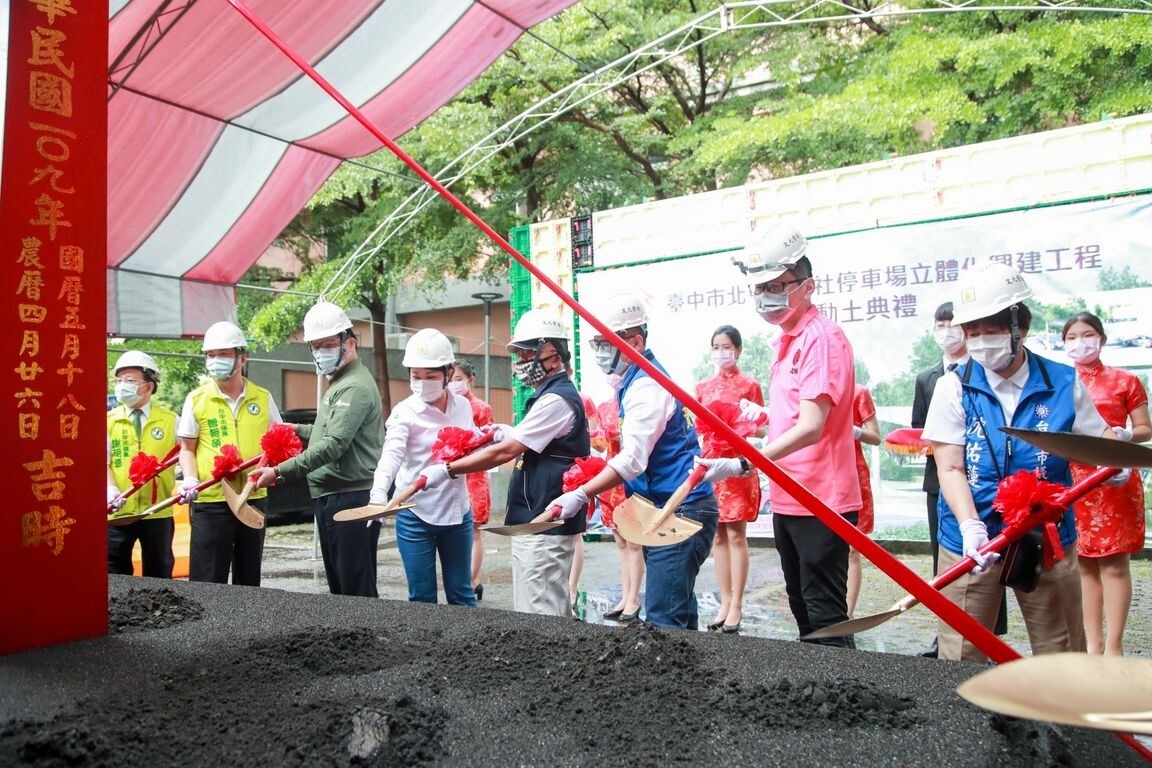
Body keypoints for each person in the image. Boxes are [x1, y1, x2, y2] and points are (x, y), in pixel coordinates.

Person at [922, 262, 1126, 663]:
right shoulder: (953, 387)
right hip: (974, 542)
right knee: (962, 655)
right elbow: (950, 467)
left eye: (991, 330)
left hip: (1046, 536)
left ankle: (1062, 723)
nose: (981, 343)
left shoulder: (1064, 383)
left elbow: (1099, 439)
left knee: (1062, 651)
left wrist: (1116, 463)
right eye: (972, 332)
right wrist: (969, 526)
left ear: (1019, 326)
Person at [697, 222, 860, 648]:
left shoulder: (821, 339)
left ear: (807, 286)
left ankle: (845, 699)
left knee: (824, 615)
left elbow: (812, 426)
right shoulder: (786, 341)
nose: (765, 296)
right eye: (758, 288)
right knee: (803, 609)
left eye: (775, 285)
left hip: (822, 497)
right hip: (791, 494)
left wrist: (745, 460)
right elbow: (793, 419)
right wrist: (765, 420)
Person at [545, 294, 719, 630]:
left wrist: (581, 494)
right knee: (677, 608)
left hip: (680, 509)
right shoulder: (634, 381)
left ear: (635, 341)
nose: (598, 352)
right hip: (665, 507)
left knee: (663, 619)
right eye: (594, 343)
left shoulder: (647, 387)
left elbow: (633, 460)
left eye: (603, 343)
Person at [416, 310, 589, 617]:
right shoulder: (547, 395)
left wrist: (447, 469)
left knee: (541, 613)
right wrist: (505, 432)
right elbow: (526, 442)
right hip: (536, 521)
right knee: (544, 605)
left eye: (527, 352)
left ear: (553, 353)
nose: (521, 361)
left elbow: (505, 452)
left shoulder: (556, 399)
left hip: (543, 523)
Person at [248, 302, 384, 598]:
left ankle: (367, 640)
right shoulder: (339, 384)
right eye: (316, 346)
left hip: (349, 496)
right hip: (333, 494)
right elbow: (327, 433)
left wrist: (279, 472)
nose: (321, 352)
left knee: (354, 587)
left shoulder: (354, 387)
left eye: (328, 344)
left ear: (350, 342)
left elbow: (334, 445)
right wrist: (297, 429)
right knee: (342, 583)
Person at [1061, 311, 1150, 655]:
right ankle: (1092, 644)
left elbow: (1145, 428)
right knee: (1083, 563)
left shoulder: (1125, 380)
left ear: (1102, 338)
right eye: (1071, 337)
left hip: (1115, 477)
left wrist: (1126, 435)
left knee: (1114, 564)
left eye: (1087, 334)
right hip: (1075, 480)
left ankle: (1114, 645)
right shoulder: (1060, 384)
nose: (1080, 342)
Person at [370, 329, 476, 606]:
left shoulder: (462, 406)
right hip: (415, 514)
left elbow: (473, 443)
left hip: (457, 513)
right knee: (422, 597)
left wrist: (492, 436)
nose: (422, 383)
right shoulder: (404, 412)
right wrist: (378, 495)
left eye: (431, 376)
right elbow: (391, 455)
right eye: (416, 376)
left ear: (448, 373)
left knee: (461, 592)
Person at [178, 321, 283, 586]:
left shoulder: (262, 397)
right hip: (212, 501)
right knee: (207, 579)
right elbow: (187, 449)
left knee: (248, 578)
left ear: (242, 358)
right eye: (210, 355)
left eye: (223, 355)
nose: (215, 361)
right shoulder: (196, 399)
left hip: (253, 498)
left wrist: (274, 474)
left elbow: (280, 443)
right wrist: (190, 480)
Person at [695, 324, 764, 634]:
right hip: (713, 466)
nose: (722, 352)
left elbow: (761, 425)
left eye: (727, 346)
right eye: (716, 346)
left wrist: (744, 426)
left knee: (737, 534)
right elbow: (697, 427)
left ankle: (737, 603)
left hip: (738, 465)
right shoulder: (702, 387)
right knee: (718, 536)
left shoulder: (751, 385)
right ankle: (724, 600)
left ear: (738, 349)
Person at [106, 350, 178, 578]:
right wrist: (109, 489)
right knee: (114, 573)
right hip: (117, 512)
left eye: (129, 381)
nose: (121, 386)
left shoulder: (171, 420)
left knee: (159, 573)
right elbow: (101, 462)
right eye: (118, 381)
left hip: (156, 512)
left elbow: (187, 455)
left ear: (149, 386)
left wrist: (190, 482)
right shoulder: (106, 421)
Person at [911, 302, 969, 578]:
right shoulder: (926, 379)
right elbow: (917, 428)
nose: (947, 332)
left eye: (953, 325)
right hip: (937, 480)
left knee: (985, 558)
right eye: (941, 326)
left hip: (980, 477)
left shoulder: (982, 373)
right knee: (942, 554)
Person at [592, 393, 643, 623]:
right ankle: (624, 596)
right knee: (620, 542)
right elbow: (600, 445)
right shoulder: (604, 406)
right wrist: (598, 439)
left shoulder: (637, 401)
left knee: (634, 542)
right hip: (612, 478)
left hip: (632, 477)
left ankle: (634, 598)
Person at [447, 360, 494, 602]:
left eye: (459, 379)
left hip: (474, 476)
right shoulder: (446, 405)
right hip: (452, 473)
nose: (454, 384)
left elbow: (485, 442)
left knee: (474, 530)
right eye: (451, 379)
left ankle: (472, 580)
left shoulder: (480, 408)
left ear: (470, 380)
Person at [847, 384, 881, 618]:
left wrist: (856, 432)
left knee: (851, 548)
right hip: (818, 475)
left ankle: (846, 615)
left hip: (853, 475)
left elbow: (876, 437)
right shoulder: (809, 392)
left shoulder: (858, 392)